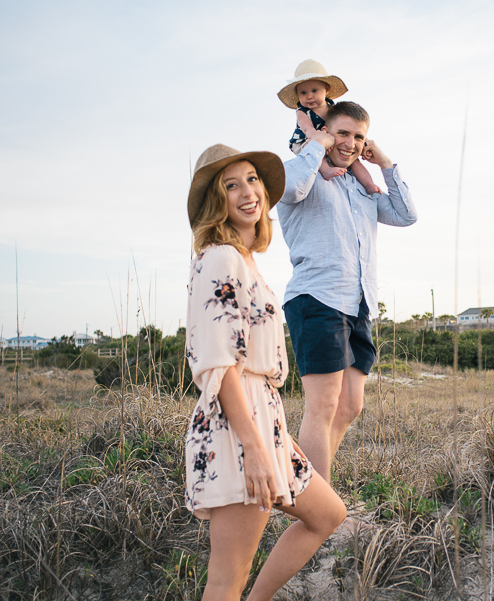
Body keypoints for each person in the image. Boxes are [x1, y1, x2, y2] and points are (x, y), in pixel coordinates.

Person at [184, 143, 346, 601]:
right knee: (227, 578)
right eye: (230, 185)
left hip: (263, 421)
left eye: (252, 179)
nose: (247, 192)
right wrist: (254, 446)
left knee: (327, 514)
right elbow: (219, 365)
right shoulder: (220, 258)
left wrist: (275, 434)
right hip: (237, 427)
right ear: (217, 201)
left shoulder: (246, 259)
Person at [277, 101, 417, 487]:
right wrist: (315, 145)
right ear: (324, 130)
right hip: (316, 299)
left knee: (350, 407)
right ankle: (317, 508)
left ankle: (306, 489)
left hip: (357, 305)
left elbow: (406, 214)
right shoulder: (300, 169)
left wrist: (384, 162)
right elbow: (290, 189)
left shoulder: (362, 186)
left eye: (358, 136)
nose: (350, 143)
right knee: (321, 408)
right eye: (342, 133)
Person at [277, 59, 381, 195]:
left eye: (314, 90)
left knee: (355, 162)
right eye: (303, 93)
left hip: (327, 140)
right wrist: (318, 142)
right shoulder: (302, 112)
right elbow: (307, 128)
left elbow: (345, 126)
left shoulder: (333, 108)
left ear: (326, 90)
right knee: (319, 156)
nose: (309, 96)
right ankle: (325, 170)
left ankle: (369, 184)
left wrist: (360, 144)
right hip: (305, 140)